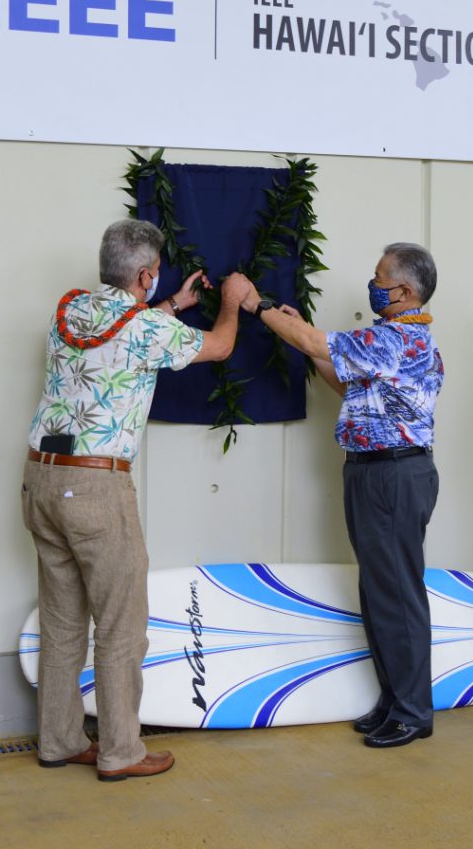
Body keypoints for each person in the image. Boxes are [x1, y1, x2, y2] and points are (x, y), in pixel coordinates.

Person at [24, 219, 250, 782]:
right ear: (146, 274)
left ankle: (58, 740)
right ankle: (121, 751)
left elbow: (122, 333)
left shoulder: (69, 310)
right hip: (98, 489)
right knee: (122, 625)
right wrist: (229, 301)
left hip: (41, 480)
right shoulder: (146, 327)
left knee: (62, 620)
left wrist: (170, 303)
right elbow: (220, 347)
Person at [238, 243, 443, 748]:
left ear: (406, 291)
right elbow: (349, 386)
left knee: (397, 595)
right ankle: (395, 701)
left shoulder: (396, 338)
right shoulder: (392, 344)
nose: (372, 285)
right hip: (374, 473)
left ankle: (414, 711)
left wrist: (257, 306)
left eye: (380, 277)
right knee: (380, 594)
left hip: (393, 476)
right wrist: (306, 344)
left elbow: (314, 339)